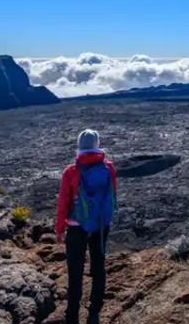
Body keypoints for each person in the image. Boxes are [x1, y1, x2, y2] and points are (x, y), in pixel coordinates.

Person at [55, 129, 118, 324]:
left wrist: (59, 229)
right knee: (98, 266)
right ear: (97, 144)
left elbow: (63, 202)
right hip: (100, 225)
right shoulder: (108, 167)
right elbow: (112, 194)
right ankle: (94, 313)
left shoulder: (71, 171)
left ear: (79, 145)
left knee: (75, 272)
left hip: (76, 227)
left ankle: (72, 316)